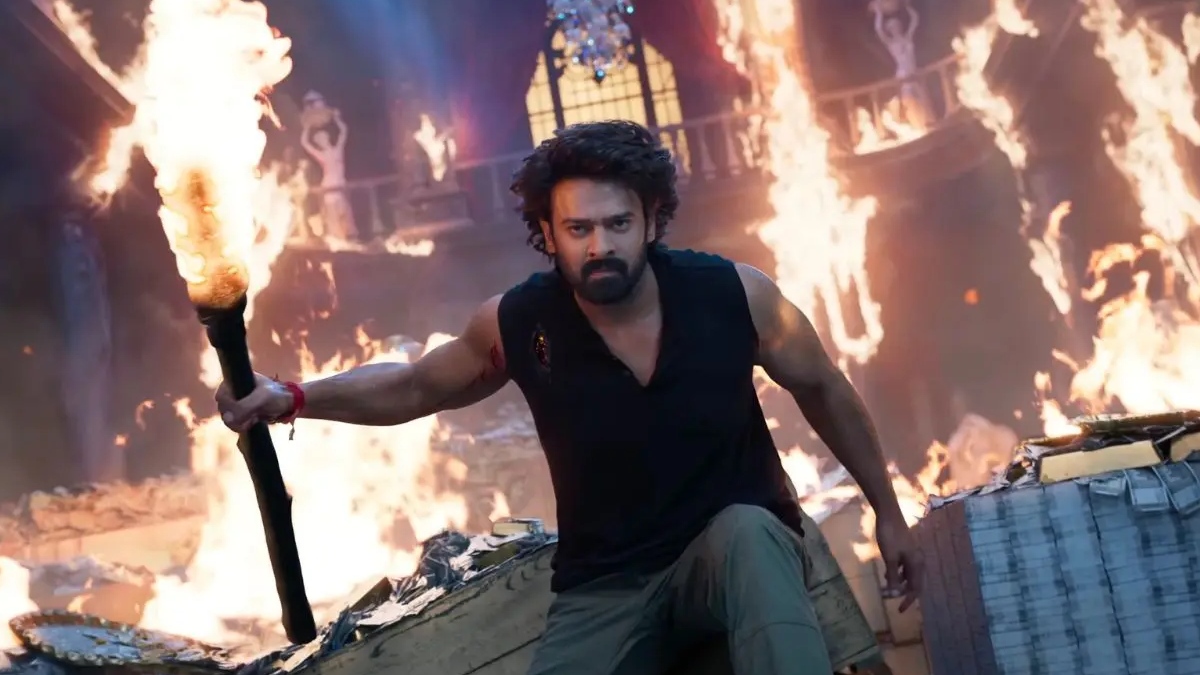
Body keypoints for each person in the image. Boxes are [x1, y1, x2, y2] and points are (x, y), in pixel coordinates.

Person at [217, 121, 923, 675]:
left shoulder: (734, 295)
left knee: (751, 531)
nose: (599, 246)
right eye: (579, 229)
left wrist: (888, 513)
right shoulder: (520, 322)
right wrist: (293, 396)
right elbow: (415, 383)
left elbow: (824, 388)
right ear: (548, 236)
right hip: (607, 585)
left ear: (651, 221)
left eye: (618, 224)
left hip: (733, 557)